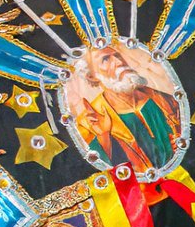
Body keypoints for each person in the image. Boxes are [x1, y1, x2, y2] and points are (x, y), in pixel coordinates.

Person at [72, 42, 182, 172]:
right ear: (92, 76)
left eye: (117, 55)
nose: (119, 62)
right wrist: (103, 136)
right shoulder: (88, 122)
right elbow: (97, 169)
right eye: (106, 59)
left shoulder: (163, 99)